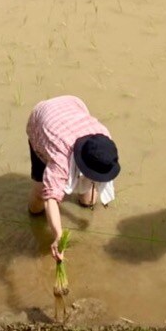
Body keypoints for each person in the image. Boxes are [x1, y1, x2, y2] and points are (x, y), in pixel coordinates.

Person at [26, 95, 121, 260]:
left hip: (72, 105)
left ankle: (83, 199)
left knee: (89, 200)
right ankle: (34, 210)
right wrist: (58, 235)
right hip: (42, 121)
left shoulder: (104, 139)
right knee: (39, 200)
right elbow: (51, 199)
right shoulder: (59, 158)